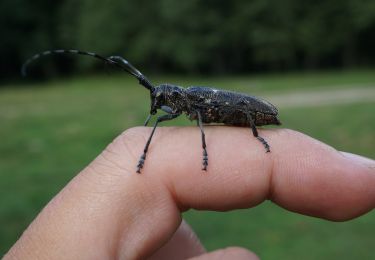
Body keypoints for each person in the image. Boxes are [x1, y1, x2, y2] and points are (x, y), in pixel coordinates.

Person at [4, 127, 375, 259]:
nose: (158, 109)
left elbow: (204, 121)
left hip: (249, 113)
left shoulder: (192, 103)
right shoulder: (171, 107)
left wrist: (204, 151)